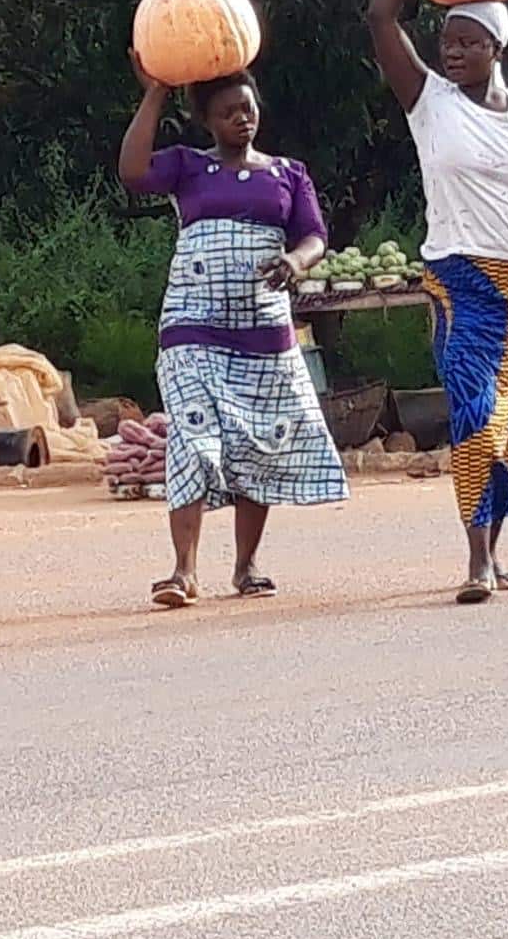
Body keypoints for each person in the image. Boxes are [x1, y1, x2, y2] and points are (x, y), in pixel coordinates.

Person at [368, 0, 508, 604]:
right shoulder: (428, 103)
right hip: (458, 280)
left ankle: (497, 548)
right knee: (473, 412)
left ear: (496, 47)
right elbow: (379, 17)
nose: (450, 52)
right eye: (445, 41)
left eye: (465, 42)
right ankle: (475, 560)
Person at [119, 55, 348, 608]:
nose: (241, 120)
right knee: (193, 442)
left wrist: (296, 262)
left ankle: (245, 567)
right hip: (192, 330)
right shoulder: (186, 167)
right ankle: (183, 571)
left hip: (263, 334)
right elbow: (131, 170)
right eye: (227, 114)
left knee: (258, 445)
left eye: (246, 109)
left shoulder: (288, 174)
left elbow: (315, 235)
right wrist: (154, 93)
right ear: (207, 122)